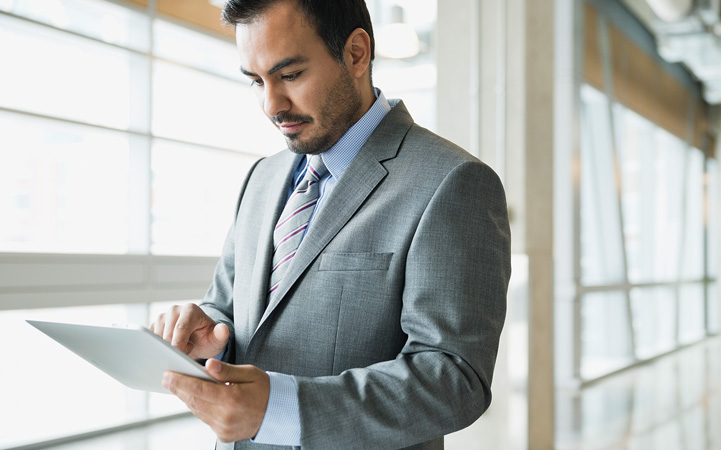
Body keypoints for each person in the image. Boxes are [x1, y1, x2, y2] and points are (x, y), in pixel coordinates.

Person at [150, 0, 511, 449]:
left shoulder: (452, 182)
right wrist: (211, 334)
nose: (271, 104)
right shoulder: (262, 178)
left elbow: (456, 377)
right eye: (256, 81)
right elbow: (229, 305)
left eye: (290, 75)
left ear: (357, 53)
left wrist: (282, 409)